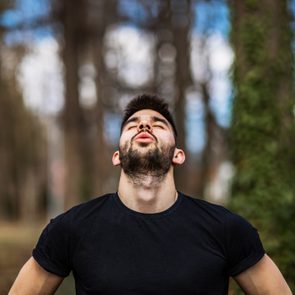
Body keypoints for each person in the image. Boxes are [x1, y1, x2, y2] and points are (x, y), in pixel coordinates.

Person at [9, 94, 292, 295]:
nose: (144, 125)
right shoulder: (71, 228)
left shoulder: (227, 229)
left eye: (158, 124)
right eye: (133, 124)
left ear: (178, 155)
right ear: (117, 156)